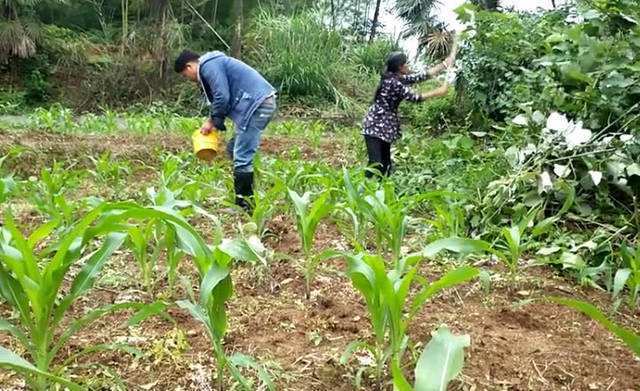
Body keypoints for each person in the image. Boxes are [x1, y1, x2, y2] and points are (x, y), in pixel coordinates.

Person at [174, 50, 277, 211]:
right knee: (233, 150)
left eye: (185, 76)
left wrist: (216, 120)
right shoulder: (213, 64)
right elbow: (220, 97)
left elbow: (222, 96)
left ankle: (245, 206)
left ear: (189, 67)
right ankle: (248, 194)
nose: (188, 79)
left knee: (242, 156)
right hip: (258, 104)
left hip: (258, 105)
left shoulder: (208, 66)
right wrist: (212, 121)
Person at [362, 47, 457, 178]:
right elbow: (415, 98)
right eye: (405, 64)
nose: (407, 66)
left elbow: (421, 76)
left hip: (384, 128)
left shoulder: (396, 77)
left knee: (386, 165)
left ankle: (380, 191)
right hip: (375, 127)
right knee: (376, 164)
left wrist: (444, 64)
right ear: (400, 67)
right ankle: (361, 190)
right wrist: (438, 92)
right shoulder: (393, 82)